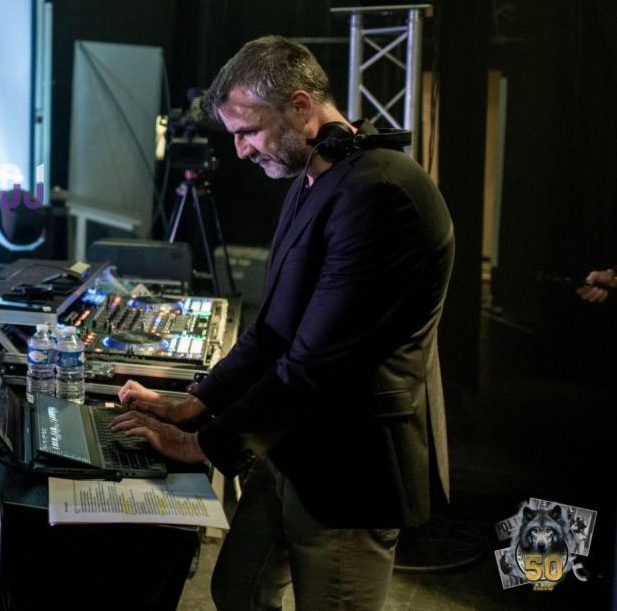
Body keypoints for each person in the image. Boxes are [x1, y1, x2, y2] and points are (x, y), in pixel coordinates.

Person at [112, 36, 454, 611]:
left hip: (350, 472)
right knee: (237, 590)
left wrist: (202, 445)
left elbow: (314, 365)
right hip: (293, 446)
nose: (241, 151)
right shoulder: (314, 181)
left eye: (248, 131)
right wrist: (193, 401)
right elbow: (271, 331)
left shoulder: (382, 193)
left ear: (300, 107)